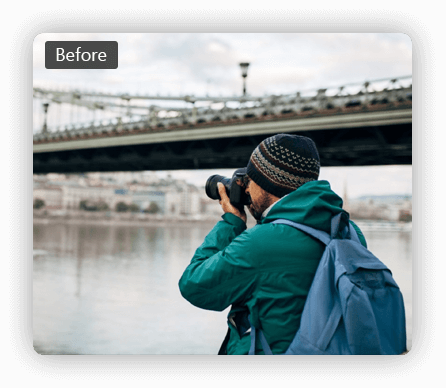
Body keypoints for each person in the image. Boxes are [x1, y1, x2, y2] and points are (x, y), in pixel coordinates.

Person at [178, 133, 367, 355]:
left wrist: (231, 222)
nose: (246, 189)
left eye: (250, 180)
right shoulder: (350, 232)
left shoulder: (259, 244)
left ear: (267, 183)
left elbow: (194, 285)